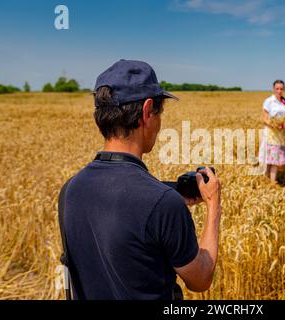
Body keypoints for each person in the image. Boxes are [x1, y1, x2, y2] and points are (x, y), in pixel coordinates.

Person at [61, 60, 222, 300]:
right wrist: (213, 206)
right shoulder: (163, 204)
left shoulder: (70, 189)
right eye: (160, 112)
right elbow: (200, 279)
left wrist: (164, 203)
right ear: (147, 111)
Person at [259, 80, 285, 183]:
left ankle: (269, 180)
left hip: (280, 134)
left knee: (274, 158)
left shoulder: (284, 101)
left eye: (281, 89)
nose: (279, 91)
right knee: (271, 159)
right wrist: (275, 125)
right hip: (271, 133)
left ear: (283, 89)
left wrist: (284, 126)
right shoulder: (269, 101)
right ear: (273, 89)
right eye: (277, 89)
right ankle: (271, 181)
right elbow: (264, 118)